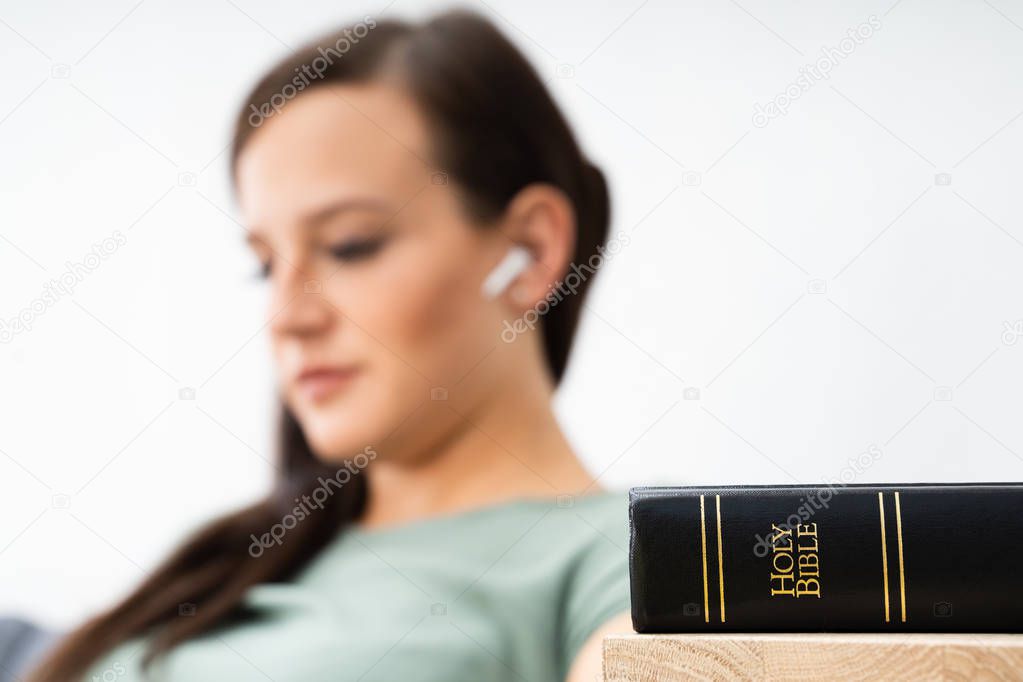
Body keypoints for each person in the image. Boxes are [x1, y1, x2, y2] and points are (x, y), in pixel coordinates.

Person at [29, 9, 630, 681]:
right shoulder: (226, 563)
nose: (285, 316)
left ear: (532, 251)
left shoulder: (633, 557)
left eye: (349, 246)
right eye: (266, 265)